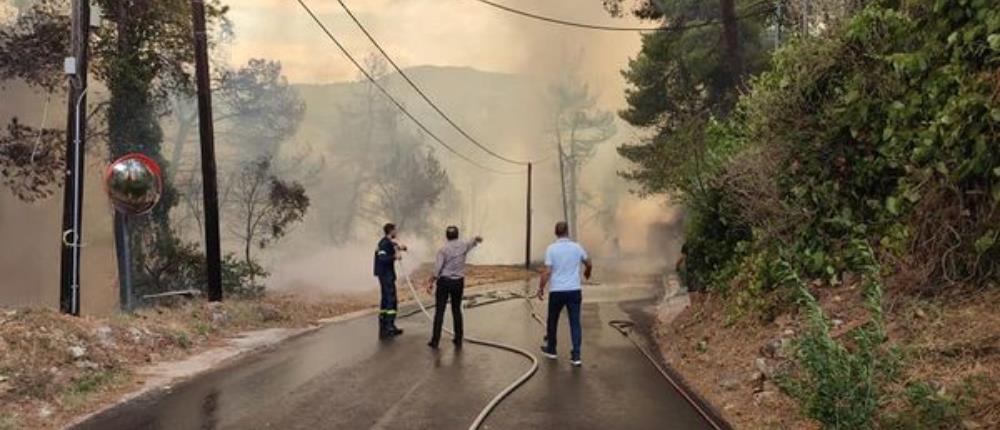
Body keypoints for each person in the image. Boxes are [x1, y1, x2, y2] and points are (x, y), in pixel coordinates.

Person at [537, 221, 592, 367]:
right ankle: (576, 356)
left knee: (552, 321)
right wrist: (587, 272)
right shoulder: (577, 247)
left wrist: (541, 287)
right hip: (574, 290)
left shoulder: (551, 249)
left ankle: (552, 349)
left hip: (557, 291)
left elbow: (547, 271)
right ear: (568, 231)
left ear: (556, 232)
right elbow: (589, 262)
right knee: (575, 322)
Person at [427, 226, 483, 349]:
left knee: (439, 311)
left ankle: (435, 341)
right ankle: (458, 338)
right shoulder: (463, 245)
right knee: (456, 310)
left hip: (444, 282)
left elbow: (437, 270)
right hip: (458, 282)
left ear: (446, 236)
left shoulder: (443, 249)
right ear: (457, 235)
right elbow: (473, 241)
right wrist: (477, 239)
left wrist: (430, 282)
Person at [374, 223, 406, 339]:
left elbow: (391, 245)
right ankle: (389, 326)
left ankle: (383, 322)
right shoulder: (383, 243)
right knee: (391, 299)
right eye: (395, 231)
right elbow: (382, 258)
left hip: (385, 274)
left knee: (385, 298)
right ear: (391, 231)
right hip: (386, 275)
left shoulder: (386, 242)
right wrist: (394, 257)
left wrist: (400, 247)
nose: (396, 233)